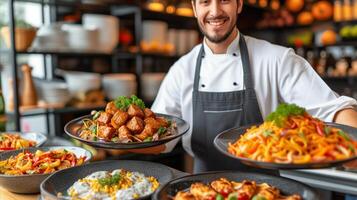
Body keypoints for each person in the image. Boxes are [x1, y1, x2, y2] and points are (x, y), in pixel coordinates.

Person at [132, 0, 357, 173]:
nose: (215, 11)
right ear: (194, 7)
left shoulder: (277, 59)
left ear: (239, 4)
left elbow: (334, 110)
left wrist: (353, 144)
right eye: (205, 2)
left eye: (224, 0)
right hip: (201, 189)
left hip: (268, 188)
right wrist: (113, 141)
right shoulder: (182, 70)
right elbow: (160, 141)